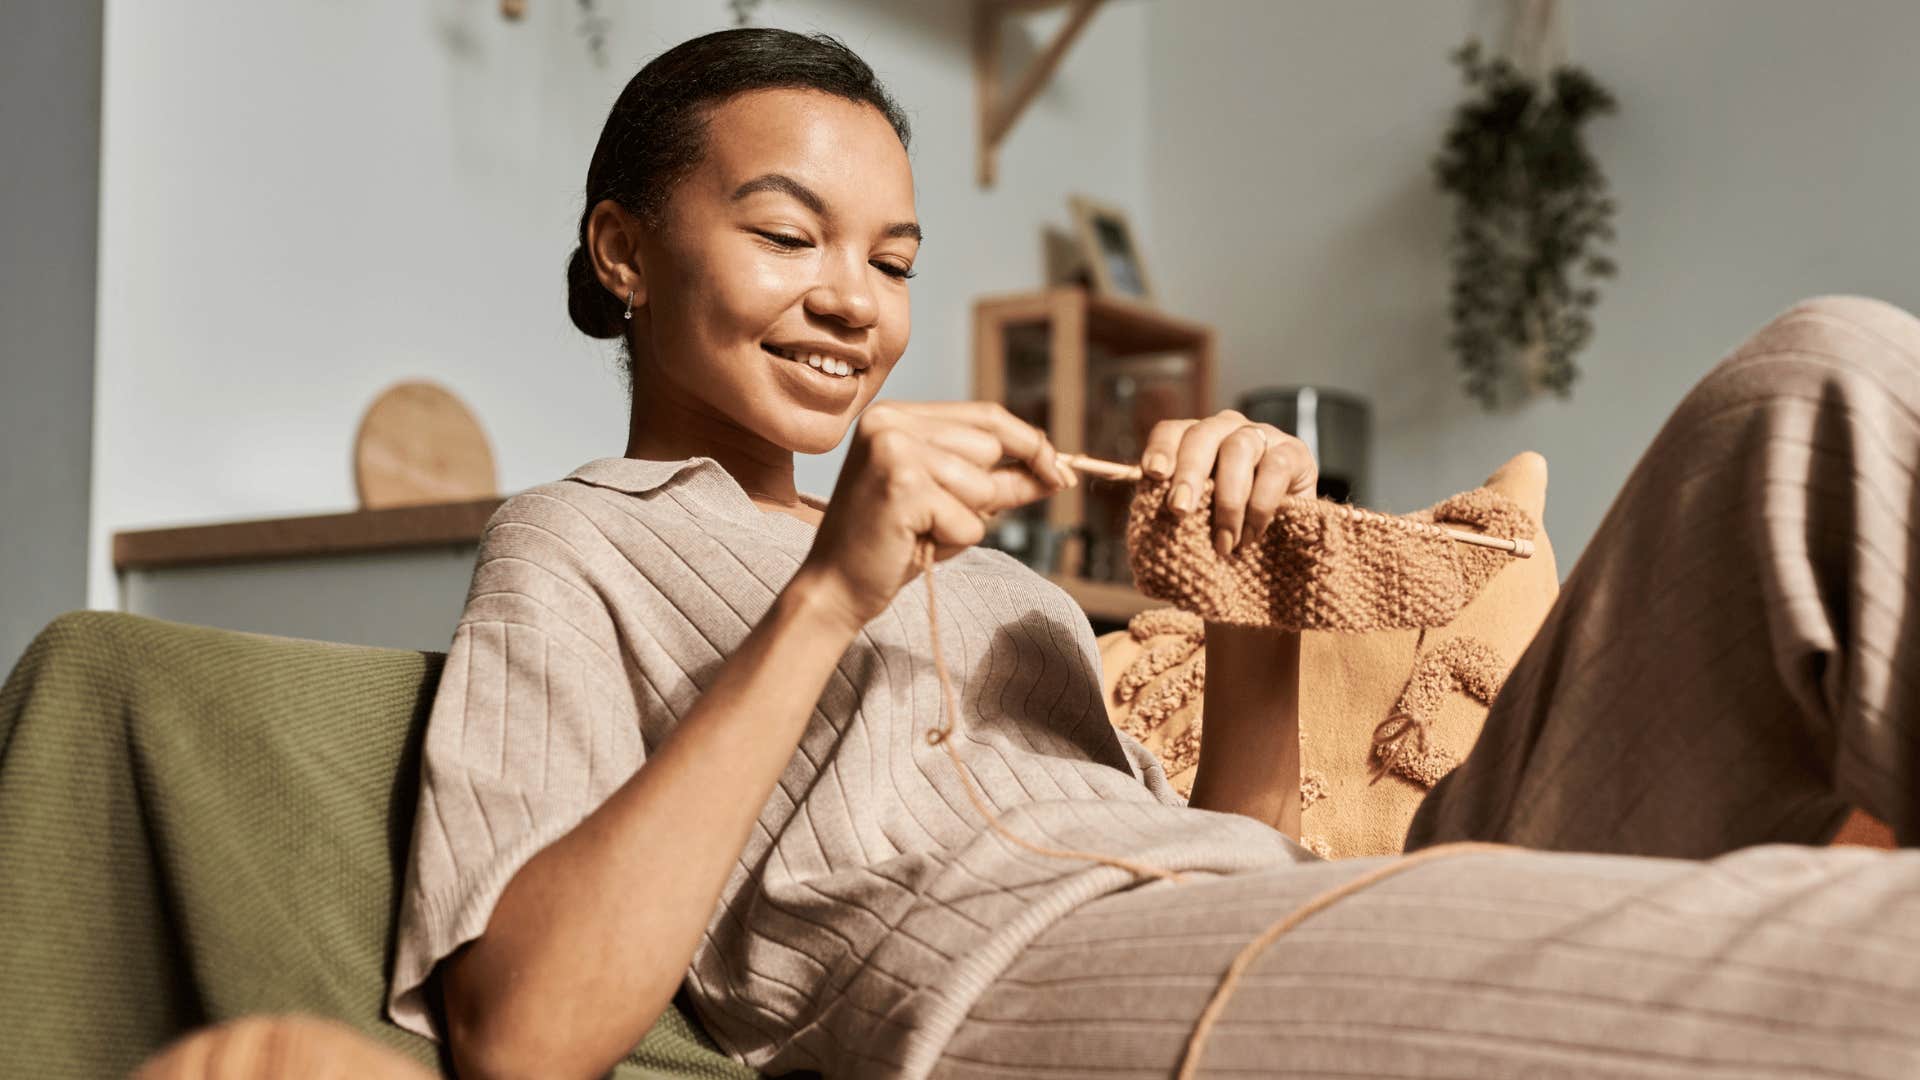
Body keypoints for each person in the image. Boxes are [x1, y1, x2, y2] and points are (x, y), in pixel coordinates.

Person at [386, 27, 1920, 1080]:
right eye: (790, 237)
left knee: (1826, 378)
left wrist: (1248, 611)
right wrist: (829, 594)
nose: (855, 299)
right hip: (1020, 987)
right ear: (624, 252)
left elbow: (1242, 845)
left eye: (895, 260)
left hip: (1266, 907)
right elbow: (523, 1034)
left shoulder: (995, 575)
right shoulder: (577, 544)